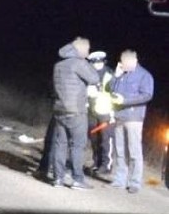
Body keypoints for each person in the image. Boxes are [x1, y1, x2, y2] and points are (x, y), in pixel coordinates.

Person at [51, 37, 100, 189]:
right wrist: (88, 63)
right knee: (78, 145)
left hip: (59, 109)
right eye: (88, 49)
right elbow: (94, 78)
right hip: (76, 111)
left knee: (60, 145)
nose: (89, 52)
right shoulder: (79, 63)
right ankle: (78, 179)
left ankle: (58, 178)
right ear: (81, 50)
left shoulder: (59, 65)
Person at [108, 50, 154, 193]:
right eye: (121, 62)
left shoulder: (144, 76)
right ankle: (120, 180)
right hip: (119, 116)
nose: (122, 65)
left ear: (134, 60)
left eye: (124, 63)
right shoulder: (122, 74)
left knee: (134, 151)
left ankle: (134, 182)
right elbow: (110, 89)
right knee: (119, 150)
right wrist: (115, 76)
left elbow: (147, 95)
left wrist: (126, 101)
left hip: (134, 118)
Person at [86, 51, 115, 177]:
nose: (97, 65)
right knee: (93, 137)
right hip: (91, 110)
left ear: (103, 62)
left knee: (105, 138)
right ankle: (96, 162)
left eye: (99, 62)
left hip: (105, 110)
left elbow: (114, 92)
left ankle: (106, 165)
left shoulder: (110, 74)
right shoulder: (88, 72)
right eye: (94, 62)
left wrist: (99, 92)